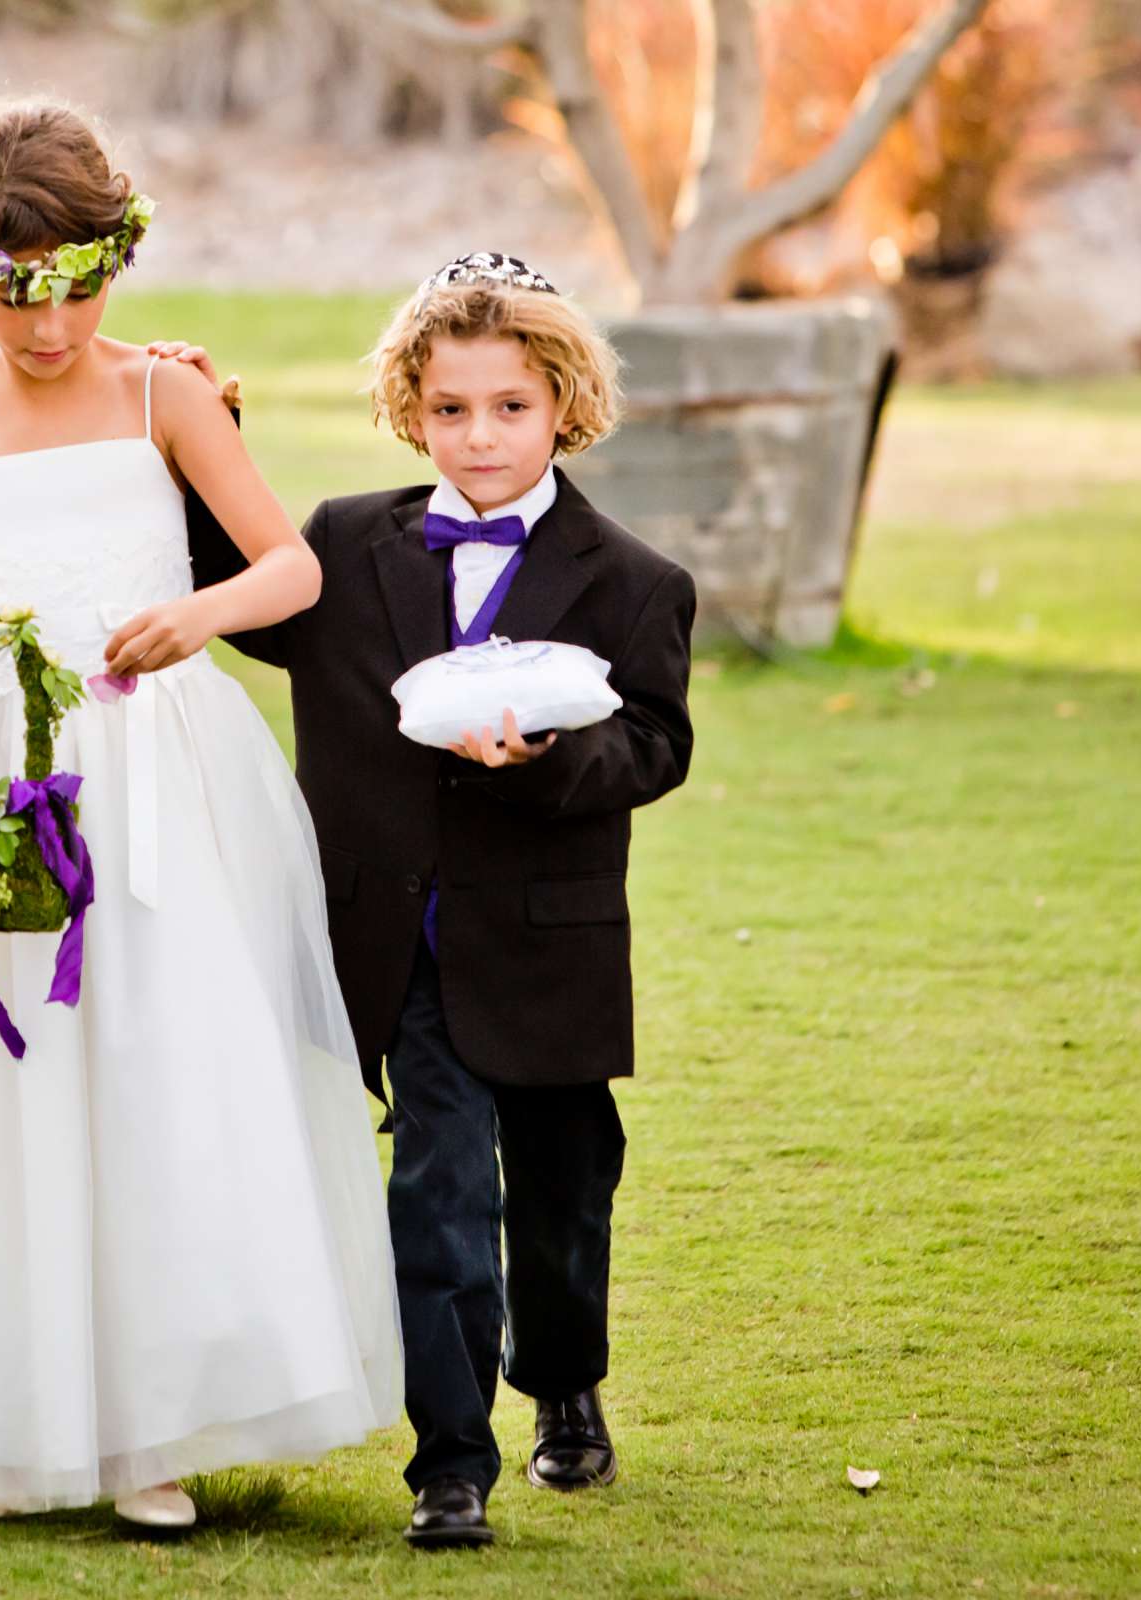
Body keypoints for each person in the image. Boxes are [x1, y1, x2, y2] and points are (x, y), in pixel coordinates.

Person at [0, 98, 401, 1531]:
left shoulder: (164, 397)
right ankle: (5, 1416)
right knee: (5, 1083)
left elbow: (290, 570)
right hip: (3, 776)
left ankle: (147, 1434)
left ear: (117, 264)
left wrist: (196, 613)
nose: (45, 332)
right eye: (10, 296)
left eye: (76, 291)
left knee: (158, 1071)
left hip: (158, 767)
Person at [169, 253, 695, 1548]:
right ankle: (449, 1465)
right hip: (402, 949)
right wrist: (204, 444)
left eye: (510, 407)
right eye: (451, 408)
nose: (480, 436)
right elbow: (243, 604)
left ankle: (565, 1383)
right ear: (412, 409)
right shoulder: (346, 542)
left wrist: (552, 757)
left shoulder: (633, 579)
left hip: (553, 944)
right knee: (439, 1198)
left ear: (564, 405)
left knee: (565, 1197)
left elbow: (656, 747)